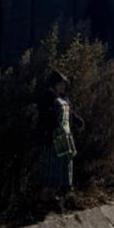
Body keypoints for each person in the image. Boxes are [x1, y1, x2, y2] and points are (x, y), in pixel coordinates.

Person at [36, 70, 85, 203]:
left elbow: (70, 113)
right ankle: (44, 197)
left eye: (64, 84)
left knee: (60, 167)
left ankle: (52, 195)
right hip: (52, 139)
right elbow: (45, 119)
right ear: (54, 84)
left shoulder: (64, 98)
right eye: (61, 84)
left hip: (64, 139)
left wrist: (77, 120)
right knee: (50, 168)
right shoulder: (47, 98)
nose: (63, 87)